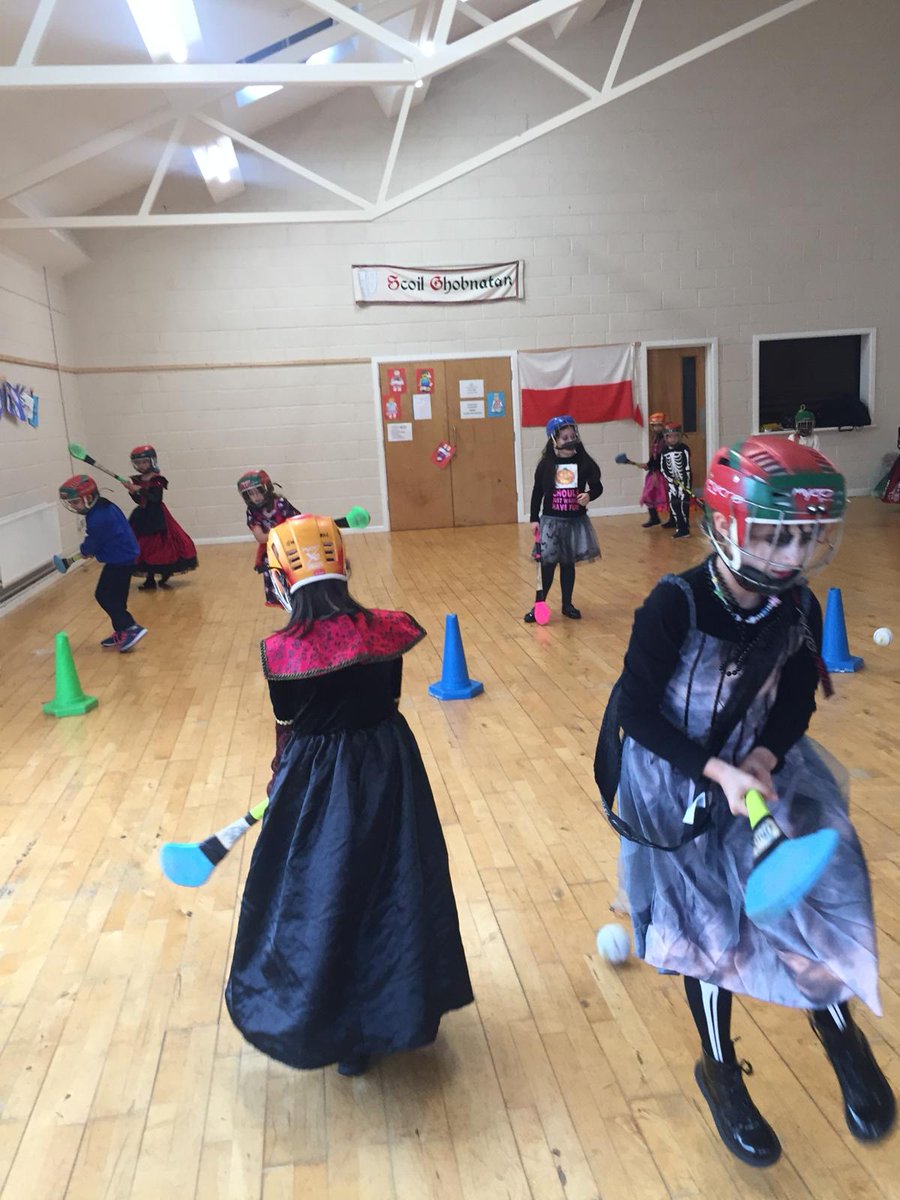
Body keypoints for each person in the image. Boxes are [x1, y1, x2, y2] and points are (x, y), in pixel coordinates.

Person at [594, 435, 893, 1168]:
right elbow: (637, 708)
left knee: (809, 904)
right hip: (677, 779)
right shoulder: (675, 606)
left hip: (762, 770)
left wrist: (761, 756)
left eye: (806, 539)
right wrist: (716, 774)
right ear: (726, 525)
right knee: (707, 934)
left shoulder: (794, 604)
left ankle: (840, 1036)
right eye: (773, 536)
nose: (791, 556)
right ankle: (721, 1070)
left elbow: (795, 700)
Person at [225, 515, 474, 1076]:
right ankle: (397, 1010)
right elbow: (386, 697)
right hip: (390, 768)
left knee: (326, 892)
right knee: (394, 884)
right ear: (344, 566)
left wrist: (278, 777)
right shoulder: (386, 630)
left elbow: (288, 724)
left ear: (281, 580)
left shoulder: (282, 652)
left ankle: (335, 1023)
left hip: (317, 784)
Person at [525, 416, 603, 622]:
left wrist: (589, 495)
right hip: (551, 522)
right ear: (554, 441)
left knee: (568, 565)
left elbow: (597, 487)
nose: (570, 440)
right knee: (547, 566)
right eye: (564, 437)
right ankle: (538, 605)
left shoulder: (584, 463)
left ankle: (567, 604)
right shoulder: (546, 465)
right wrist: (534, 518)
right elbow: (537, 492)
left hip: (575, 523)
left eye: (572, 436)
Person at [58, 474, 148, 652]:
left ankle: (131, 627)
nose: (73, 507)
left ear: (89, 497)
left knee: (103, 595)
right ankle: (122, 630)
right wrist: (93, 549)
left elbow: (94, 540)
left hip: (120, 559)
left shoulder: (98, 517)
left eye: (76, 502)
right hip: (123, 556)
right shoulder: (103, 505)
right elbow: (105, 537)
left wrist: (86, 550)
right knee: (117, 598)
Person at [126, 445, 197, 589]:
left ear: (152, 461)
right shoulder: (138, 479)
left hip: (156, 516)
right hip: (142, 515)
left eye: (144, 462)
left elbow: (155, 499)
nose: (141, 465)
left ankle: (165, 572)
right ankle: (149, 579)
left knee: (160, 545)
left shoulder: (157, 479)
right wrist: (133, 492)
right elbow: (139, 501)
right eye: (138, 463)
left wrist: (140, 490)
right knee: (143, 546)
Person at [238, 470, 301, 606]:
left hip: (291, 548)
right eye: (251, 493)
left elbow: (296, 526)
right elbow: (260, 538)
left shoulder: (281, 504)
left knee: (298, 583)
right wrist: (281, 532)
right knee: (282, 591)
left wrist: (275, 534)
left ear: (266, 488)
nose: (256, 496)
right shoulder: (251, 511)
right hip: (272, 554)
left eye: (258, 491)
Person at [659, 422, 692, 539]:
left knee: (683, 506)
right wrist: (670, 480)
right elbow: (663, 468)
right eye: (670, 436)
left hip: (684, 482)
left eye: (675, 436)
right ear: (666, 437)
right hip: (672, 484)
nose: (673, 439)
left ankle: (684, 529)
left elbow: (687, 467)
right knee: (674, 505)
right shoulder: (663, 451)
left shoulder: (684, 449)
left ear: (680, 436)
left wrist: (685, 483)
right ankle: (679, 526)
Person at [638, 411, 670, 528]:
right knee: (648, 494)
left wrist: (654, 467)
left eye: (658, 425)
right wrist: (648, 464)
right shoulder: (655, 438)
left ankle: (673, 519)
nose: (656, 428)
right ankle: (654, 517)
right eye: (654, 425)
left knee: (667, 495)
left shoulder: (666, 439)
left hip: (662, 472)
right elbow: (654, 455)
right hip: (654, 472)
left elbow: (663, 457)